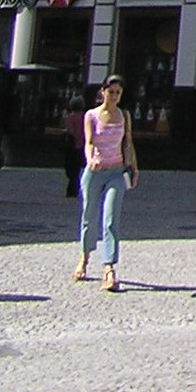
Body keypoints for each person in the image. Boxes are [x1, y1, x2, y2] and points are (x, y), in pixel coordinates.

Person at [76, 76, 139, 291]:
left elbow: (128, 142)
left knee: (111, 218)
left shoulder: (124, 116)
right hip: (95, 171)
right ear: (103, 92)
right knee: (89, 215)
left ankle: (109, 268)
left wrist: (134, 167)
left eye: (118, 93)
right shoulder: (91, 115)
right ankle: (84, 259)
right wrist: (90, 158)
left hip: (116, 171)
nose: (114, 97)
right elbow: (89, 142)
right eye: (111, 92)